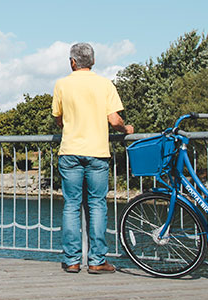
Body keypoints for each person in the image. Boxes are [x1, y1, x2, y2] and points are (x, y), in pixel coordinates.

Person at [52, 43, 134, 274]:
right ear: (93, 61)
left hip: (70, 152)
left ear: (73, 62)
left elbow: (58, 119)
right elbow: (114, 119)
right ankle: (97, 260)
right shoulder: (104, 84)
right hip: (97, 151)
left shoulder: (62, 84)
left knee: (71, 205)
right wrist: (125, 129)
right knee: (97, 204)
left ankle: (72, 260)